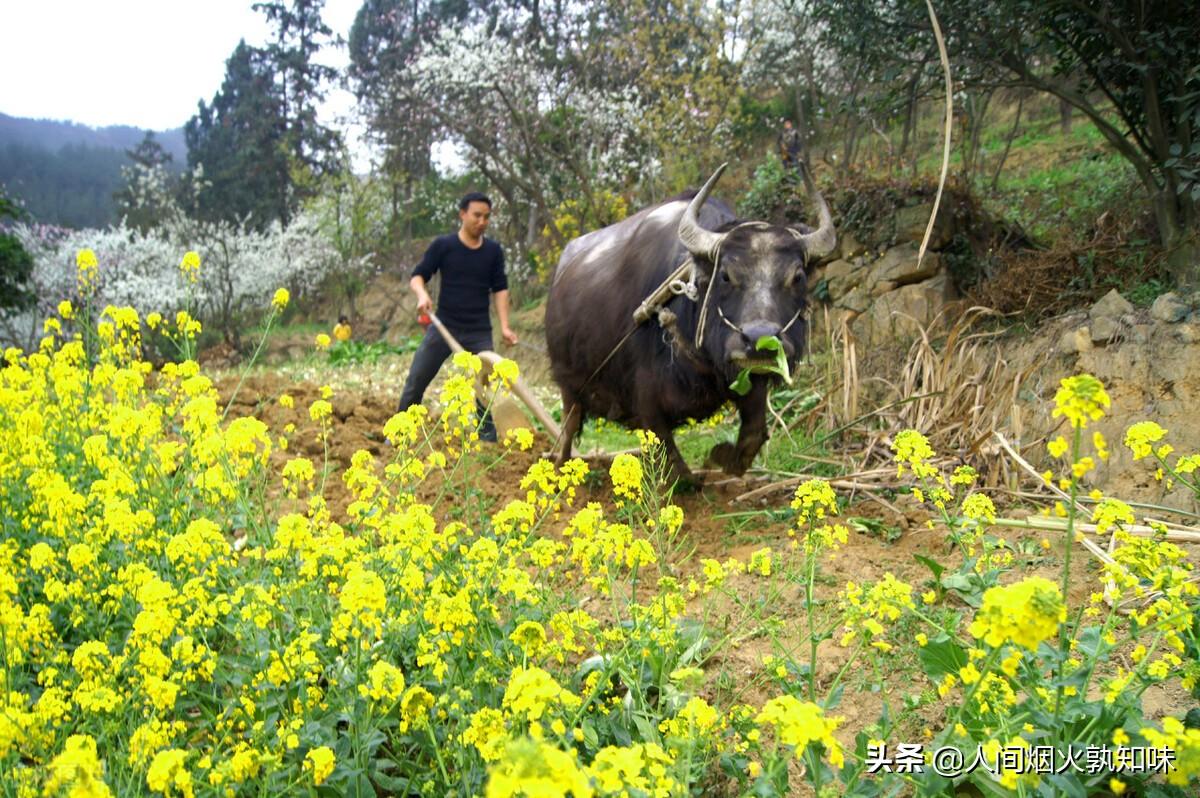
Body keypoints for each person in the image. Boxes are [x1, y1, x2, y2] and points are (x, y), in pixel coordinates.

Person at [398, 191, 518, 441]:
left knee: (483, 388)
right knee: (417, 378)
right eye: (476, 215)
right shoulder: (444, 246)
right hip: (444, 327)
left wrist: (505, 327)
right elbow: (418, 276)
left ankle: (486, 440)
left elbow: (500, 289)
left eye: (486, 217)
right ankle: (400, 430)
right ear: (462, 214)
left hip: (479, 331)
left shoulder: (493, 251)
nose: (482, 221)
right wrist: (422, 295)